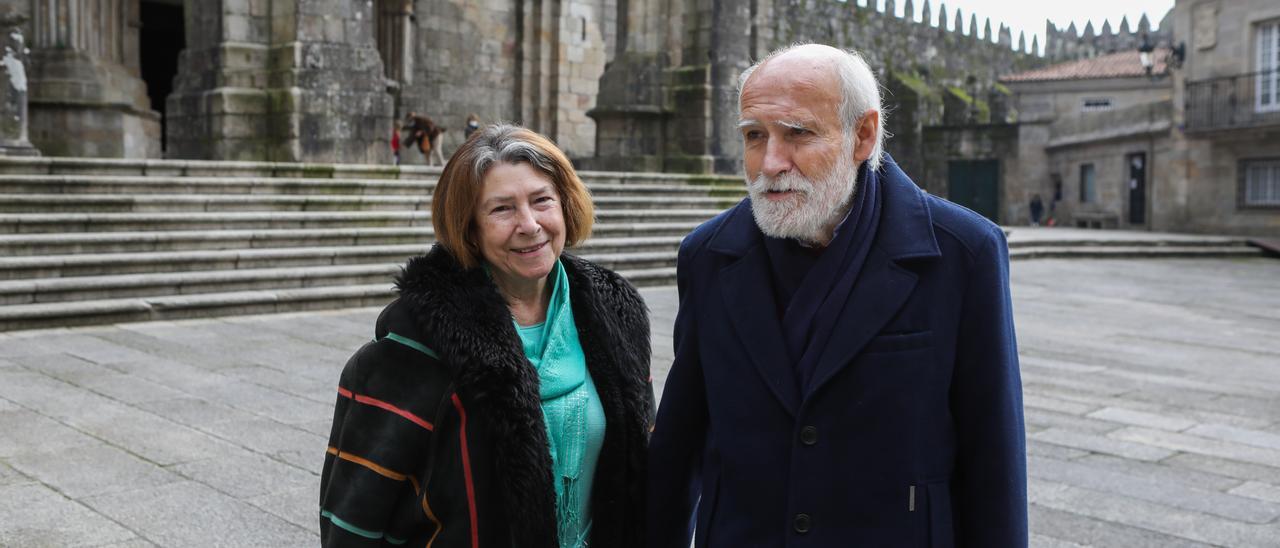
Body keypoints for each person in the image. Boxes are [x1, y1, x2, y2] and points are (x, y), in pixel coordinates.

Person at [648, 44, 1027, 546]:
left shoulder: (963, 253)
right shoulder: (709, 255)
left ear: (863, 135)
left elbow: (993, 454)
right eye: (754, 136)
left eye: (798, 134)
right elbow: (681, 440)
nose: (771, 163)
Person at [321, 124, 654, 547]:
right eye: (502, 209)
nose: (530, 224)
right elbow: (353, 519)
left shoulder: (615, 314)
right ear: (469, 228)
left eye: (541, 201)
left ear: (566, 205)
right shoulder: (414, 346)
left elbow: (643, 458)